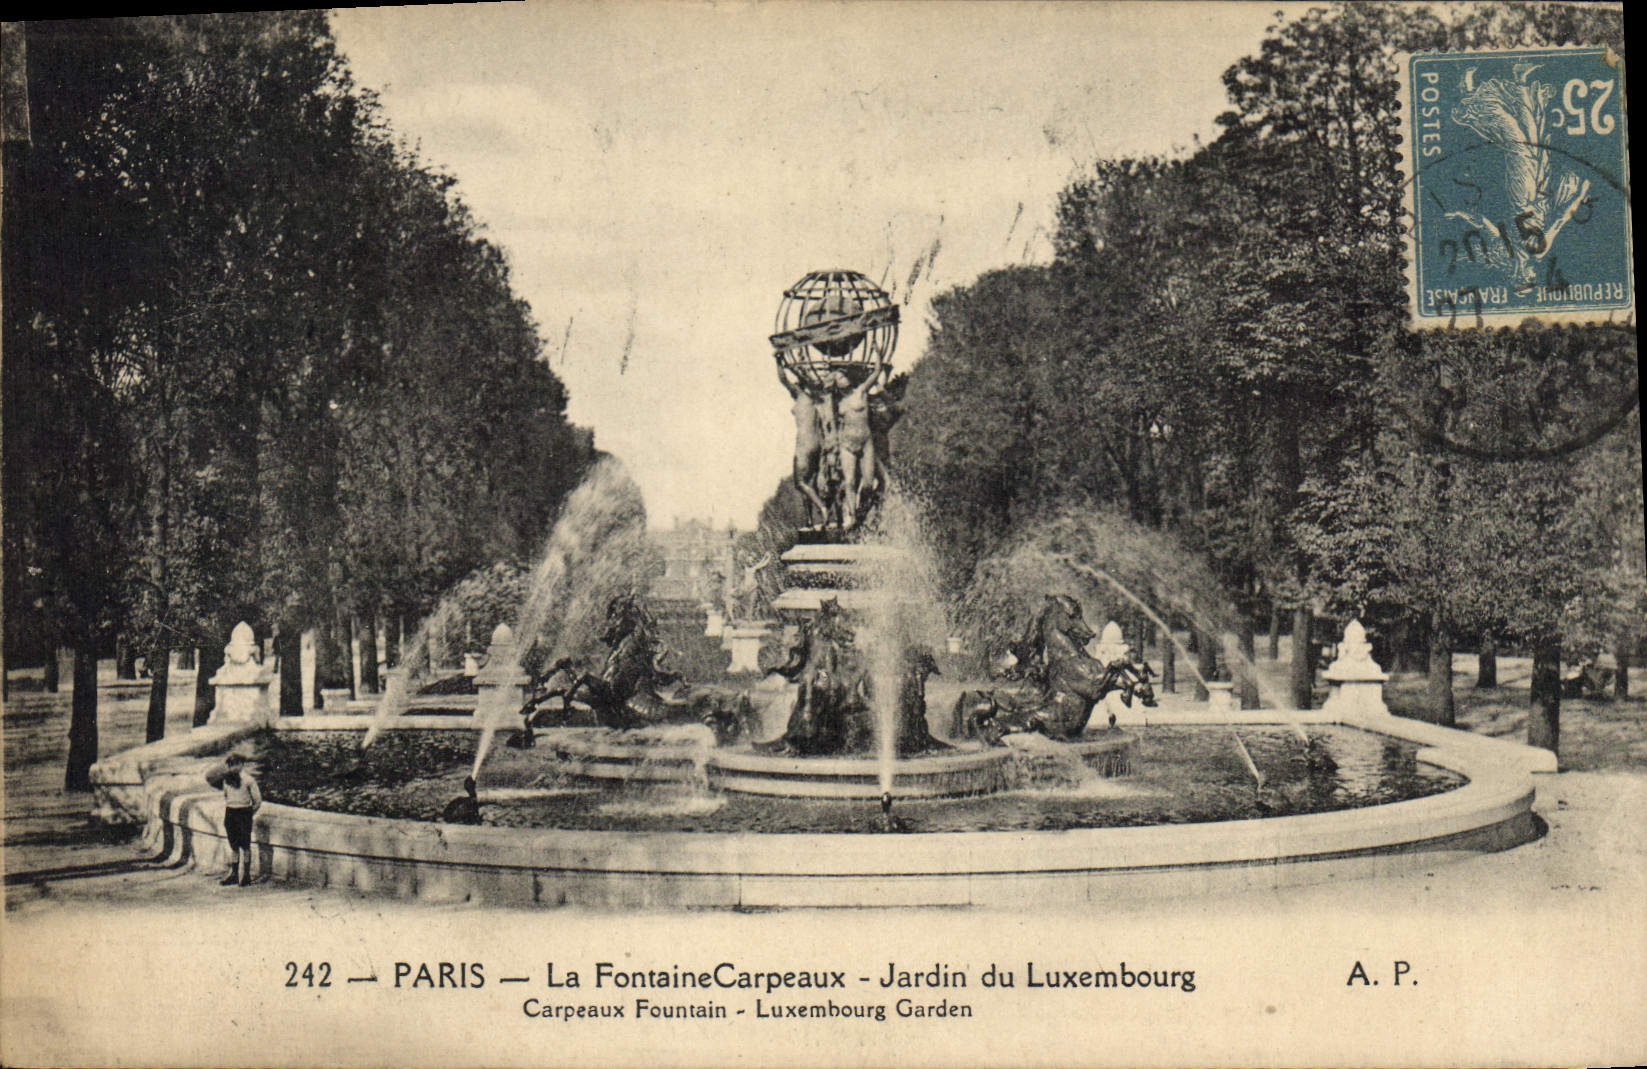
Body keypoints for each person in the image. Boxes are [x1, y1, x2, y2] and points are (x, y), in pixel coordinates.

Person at [206, 753, 261, 886]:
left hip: (244, 813)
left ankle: (246, 876)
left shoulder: (248, 780)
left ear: (242, 765)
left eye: (236, 764)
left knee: (245, 846)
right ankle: (234, 874)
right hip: (230, 812)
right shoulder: (226, 780)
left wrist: (248, 814)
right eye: (231, 765)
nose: (233, 768)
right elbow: (226, 795)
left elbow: (257, 801)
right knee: (234, 845)